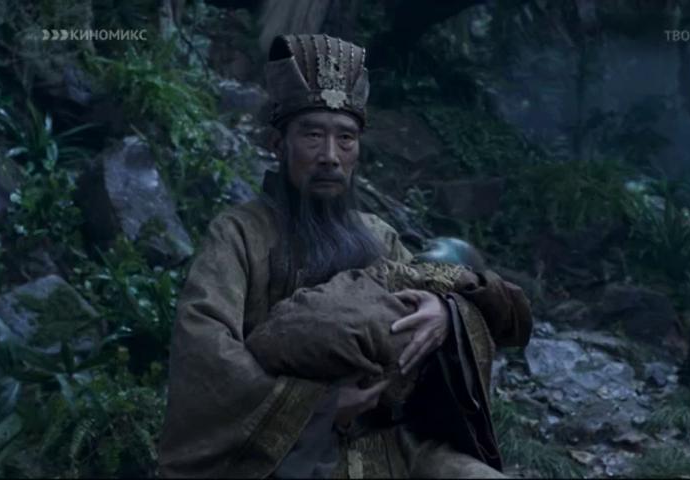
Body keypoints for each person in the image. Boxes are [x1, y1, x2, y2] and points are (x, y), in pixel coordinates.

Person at [158, 33, 533, 478]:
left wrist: (443, 313)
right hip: (286, 457)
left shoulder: (378, 235)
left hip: (395, 447)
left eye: (346, 138)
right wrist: (320, 407)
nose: (330, 157)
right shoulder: (238, 234)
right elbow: (206, 354)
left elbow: (432, 287)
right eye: (313, 135)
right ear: (278, 143)